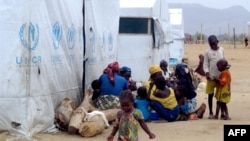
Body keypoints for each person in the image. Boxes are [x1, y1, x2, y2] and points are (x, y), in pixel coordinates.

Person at [203, 35, 225, 119]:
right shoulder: (207, 52)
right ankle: (211, 112)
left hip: (221, 77)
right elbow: (205, 64)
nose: (213, 46)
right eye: (211, 44)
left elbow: (224, 60)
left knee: (221, 96)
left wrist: (226, 66)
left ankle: (222, 112)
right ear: (209, 44)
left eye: (214, 44)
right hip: (211, 77)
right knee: (210, 95)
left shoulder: (222, 50)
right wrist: (207, 73)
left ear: (217, 42)